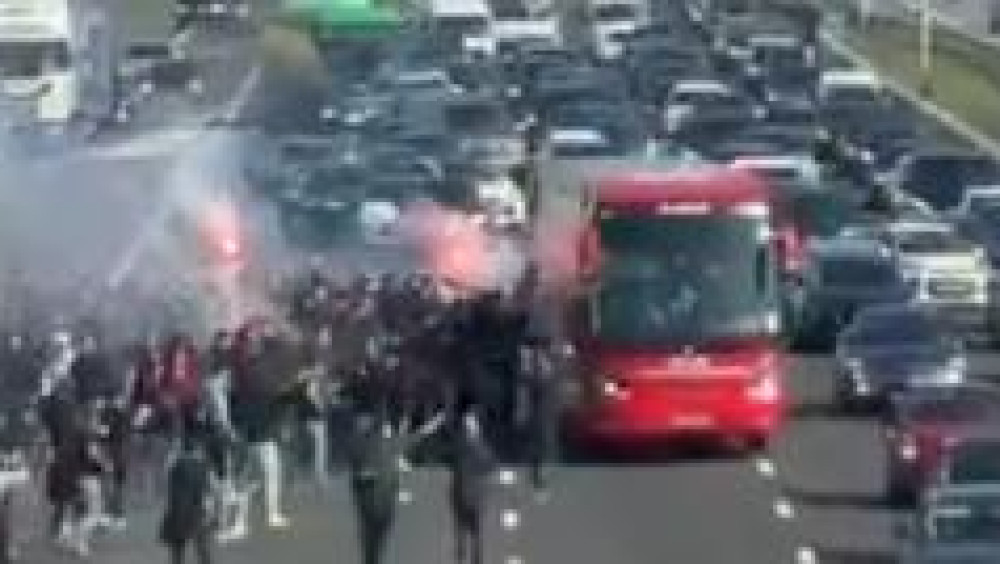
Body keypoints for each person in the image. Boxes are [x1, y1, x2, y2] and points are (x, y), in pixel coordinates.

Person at [347, 409, 445, 564]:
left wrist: (436, 422)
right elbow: (420, 434)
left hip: (373, 502)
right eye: (387, 428)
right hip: (380, 502)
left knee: (371, 538)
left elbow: (419, 434)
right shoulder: (390, 444)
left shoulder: (374, 444)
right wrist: (436, 422)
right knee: (377, 537)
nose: (389, 430)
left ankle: (371, 558)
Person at [445, 407, 495, 564]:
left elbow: (488, 465)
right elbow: (488, 465)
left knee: (467, 531)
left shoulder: (467, 446)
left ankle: (469, 556)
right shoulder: (474, 446)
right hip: (467, 493)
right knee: (468, 531)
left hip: (467, 493)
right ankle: (468, 557)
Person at [159, 434, 219, 564]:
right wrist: (211, 510)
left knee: (178, 550)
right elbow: (210, 488)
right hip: (196, 510)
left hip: (177, 510)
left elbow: (165, 482)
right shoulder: (202, 465)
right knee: (202, 546)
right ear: (197, 449)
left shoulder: (176, 463)